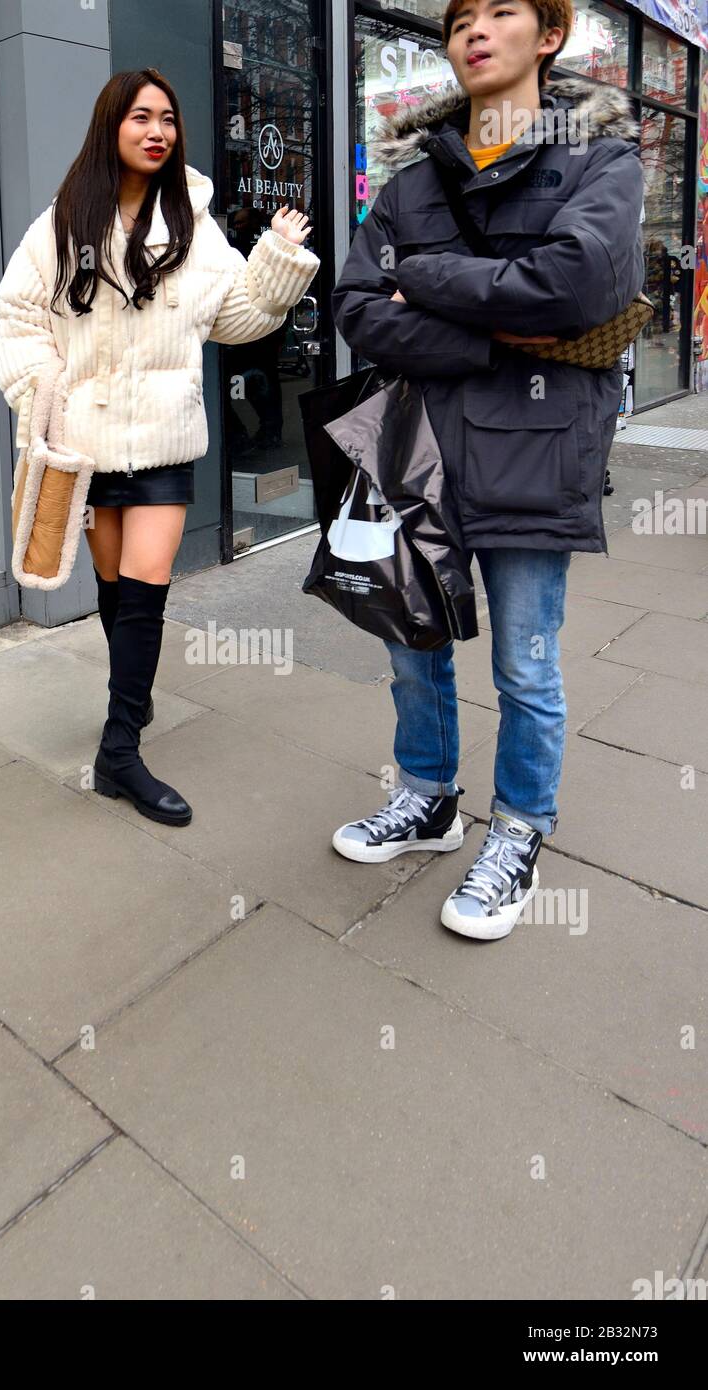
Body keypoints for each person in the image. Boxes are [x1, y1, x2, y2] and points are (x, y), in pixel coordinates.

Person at [330, 0, 644, 939]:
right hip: (415, 446)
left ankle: (518, 830)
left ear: (547, 35)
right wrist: (494, 333)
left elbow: (577, 289)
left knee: (526, 661)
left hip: (538, 449)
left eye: (500, 10)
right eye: (460, 16)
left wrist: (422, 280)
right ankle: (427, 796)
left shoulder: (600, 158)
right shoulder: (410, 179)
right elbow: (354, 303)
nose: (473, 28)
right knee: (410, 637)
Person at [0, 68, 319, 827]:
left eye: (167, 119)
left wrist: (274, 260)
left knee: (145, 588)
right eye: (141, 117)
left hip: (166, 440)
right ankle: (126, 712)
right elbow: (17, 318)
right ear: (113, 127)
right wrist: (48, 394)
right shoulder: (61, 224)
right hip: (88, 442)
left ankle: (118, 748)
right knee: (117, 597)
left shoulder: (197, 225)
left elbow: (236, 319)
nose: (157, 131)